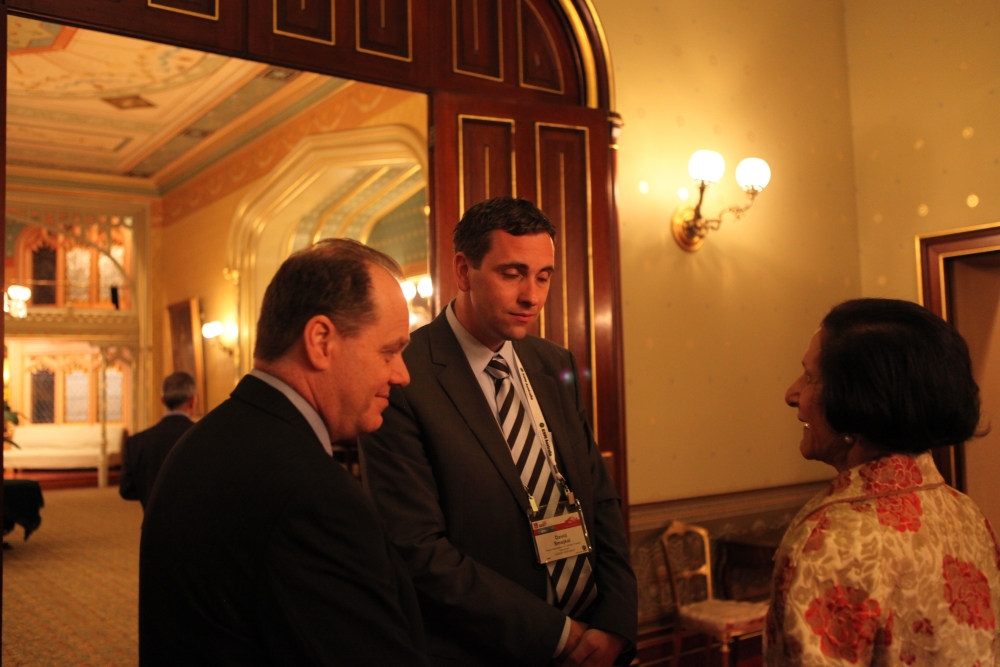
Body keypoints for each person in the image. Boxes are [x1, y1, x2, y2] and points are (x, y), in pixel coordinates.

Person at [361, 196, 637, 667]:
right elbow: (417, 549)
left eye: (543, 276)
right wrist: (557, 635)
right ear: (464, 271)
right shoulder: (404, 377)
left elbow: (600, 500)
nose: (532, 296)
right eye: (512, 274)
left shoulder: (554, 364)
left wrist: (614, 622)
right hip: (487, 650)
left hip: (593, 638)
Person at [139, 239, 427, 666]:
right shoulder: (313, 496)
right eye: (390, 351)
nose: (402, 375)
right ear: (321, 341)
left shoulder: (206, 438)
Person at [765, 298, 1000, 666]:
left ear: (859, 401)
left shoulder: (829, 541)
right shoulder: (966, 513)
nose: (791, 394)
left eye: (809, 377)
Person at [119, 371, 196, 509]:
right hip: (194, 519)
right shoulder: (205, 437)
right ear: (192, 401)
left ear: (162, 400)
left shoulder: (136, 442)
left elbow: (126, 490)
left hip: (153, 521)